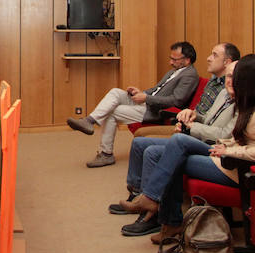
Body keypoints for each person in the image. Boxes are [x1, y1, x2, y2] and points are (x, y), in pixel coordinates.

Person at [120, 54, 255, 242]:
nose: (234, 82)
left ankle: (162, 212)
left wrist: (229, 151)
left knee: (176, 153)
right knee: (171, 148)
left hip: (245, 167)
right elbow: (238, 137)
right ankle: (158, 208)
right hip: (229, 155)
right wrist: (226, 146)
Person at [112, 58, 239, 237]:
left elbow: (225, 135)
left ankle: (151, 209)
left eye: (234, 76)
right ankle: (138, 196)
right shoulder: (224, 93)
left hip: (219, 150)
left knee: (173, 146)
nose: (228, 80)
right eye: (227, 76)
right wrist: (192, 116)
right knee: (144, 145)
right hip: (205, 138)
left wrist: (191, 128)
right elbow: (208, 118)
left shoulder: (246, 102)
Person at [67, 41, 199, 168]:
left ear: (187, 60)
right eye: (170, 58)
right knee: (116, 92)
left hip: (156, 111)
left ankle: (106, 154)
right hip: (148, 103)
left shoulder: (190, 75)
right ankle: (89, 121)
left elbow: (176, 101)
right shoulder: (173, 71)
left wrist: (146, 98)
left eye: (174, 59)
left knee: (112, 111)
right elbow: (156, 90)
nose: (171, 62)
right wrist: (140, 92)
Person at [133, 42, 240, 138]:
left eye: (214, 55)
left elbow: (213, 123)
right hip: (192, 122)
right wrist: (189, 117)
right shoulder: (213, 81)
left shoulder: (229, 90)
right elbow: (203, 115)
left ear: (227, 62)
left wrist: (191, 125)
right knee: (140, 134)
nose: (208, 58)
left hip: (201, 130)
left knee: (143, 138)